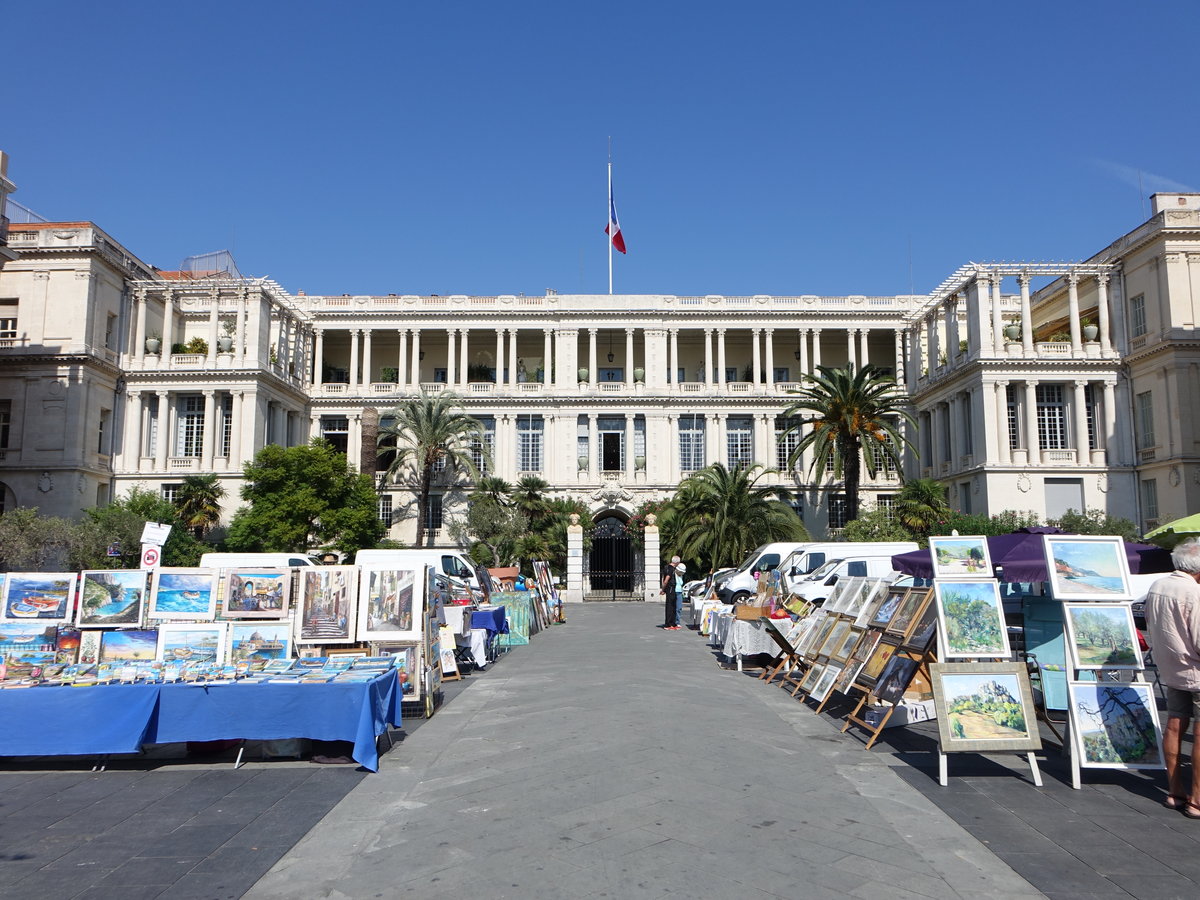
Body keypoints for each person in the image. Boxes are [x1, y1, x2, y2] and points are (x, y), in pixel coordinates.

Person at [1144, 537, 1200, 817]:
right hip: (1196, 670)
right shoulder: (1194, 593)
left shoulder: (1158, 586)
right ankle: (1196, 799)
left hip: (1171, 668)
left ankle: (1175, 790)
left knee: (1175, 725)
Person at [661, 555, 682, 630]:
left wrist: (663, 589)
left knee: (672, 606)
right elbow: (666, 580)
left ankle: (672, 623)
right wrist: (663, 589)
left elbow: (663, 578)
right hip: (671, 588)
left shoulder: (666, 567)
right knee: (671, 606)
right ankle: (668, 624)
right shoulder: (671, 569)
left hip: (669, 588)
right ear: (677, 562)